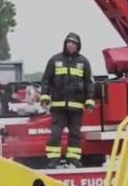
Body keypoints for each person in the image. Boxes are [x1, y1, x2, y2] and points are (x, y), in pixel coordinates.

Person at [40, 32, 95, 168]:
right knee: (56, 134)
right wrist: (45, 96)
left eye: (73, 43)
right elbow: (46, 80)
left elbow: (89, 83)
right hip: (58, 107)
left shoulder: (83, 62)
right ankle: (53, 159)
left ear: (78, 46)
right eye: (68, 42)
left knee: (75, 134)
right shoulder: (55, 60)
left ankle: (73, 159)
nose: (70, 45)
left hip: (76, 107)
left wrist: (89, 100)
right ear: (65, 44)